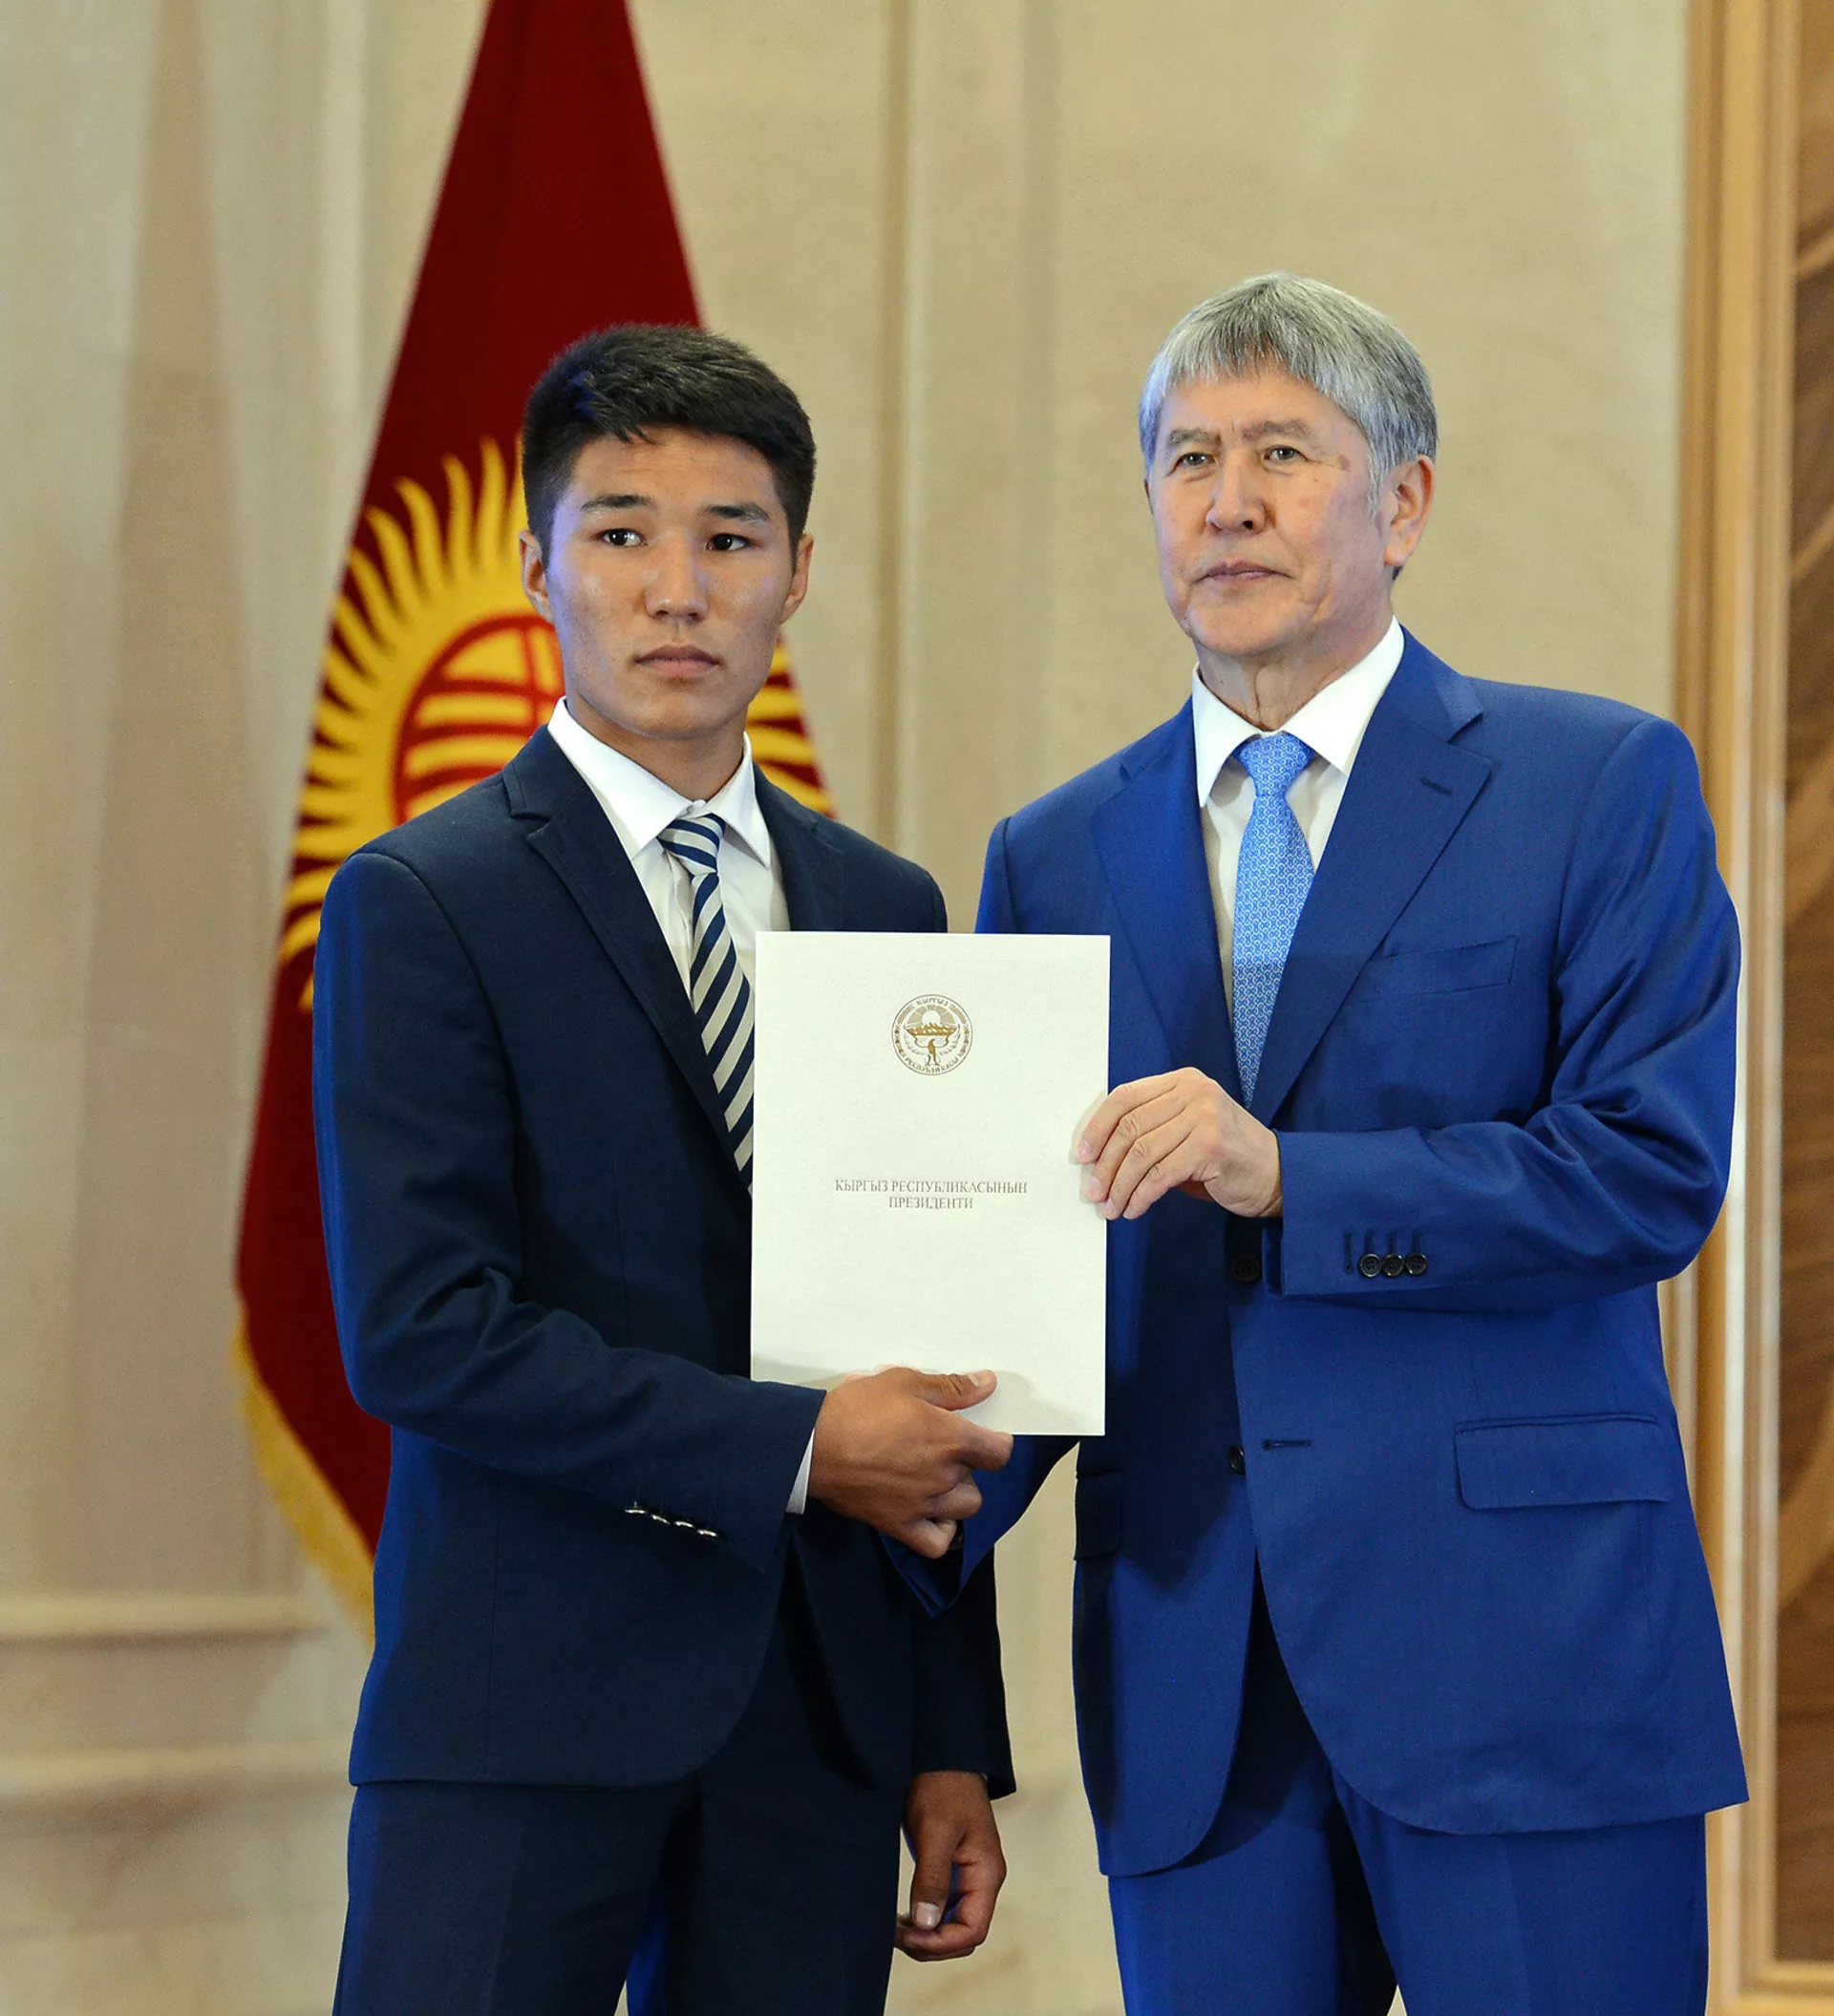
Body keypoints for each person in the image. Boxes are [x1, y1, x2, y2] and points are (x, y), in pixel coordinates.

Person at [933, 273, 1746, 2014]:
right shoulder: (1051, 855)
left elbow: (1647, 1170)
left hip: (1522, 1655)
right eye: (1189, 459)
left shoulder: (1597, 783)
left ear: (1406, 499)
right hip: (1193, 1691)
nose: (1227, 502)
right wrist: (889, 1608)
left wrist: (1293, 1179)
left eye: (1282, 454)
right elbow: (1012, 1293)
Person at [314, 324, 1013, 2016]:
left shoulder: (888, 909)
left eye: (731, 537)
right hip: (521, 1708)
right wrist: (799, 1446)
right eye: (622, 532)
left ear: (798, 573)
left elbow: (935, 1331)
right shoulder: (425, 899)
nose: (679, 589)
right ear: (536, 565)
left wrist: (947, 1733)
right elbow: (422, 1329)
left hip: (820, 1715)